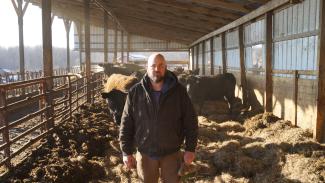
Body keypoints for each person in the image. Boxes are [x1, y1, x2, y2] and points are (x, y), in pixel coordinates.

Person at [119, 53, 198, 182]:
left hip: (172, 152)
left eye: (161, 65)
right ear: (147, 67)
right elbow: (126, 123)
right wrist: (126, 151)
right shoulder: (135, 92)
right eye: (153, 65)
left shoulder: (179, 91)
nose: (157, 69)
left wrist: (190, 149)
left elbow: (191, 121)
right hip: (145, 153)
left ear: (166, 67)